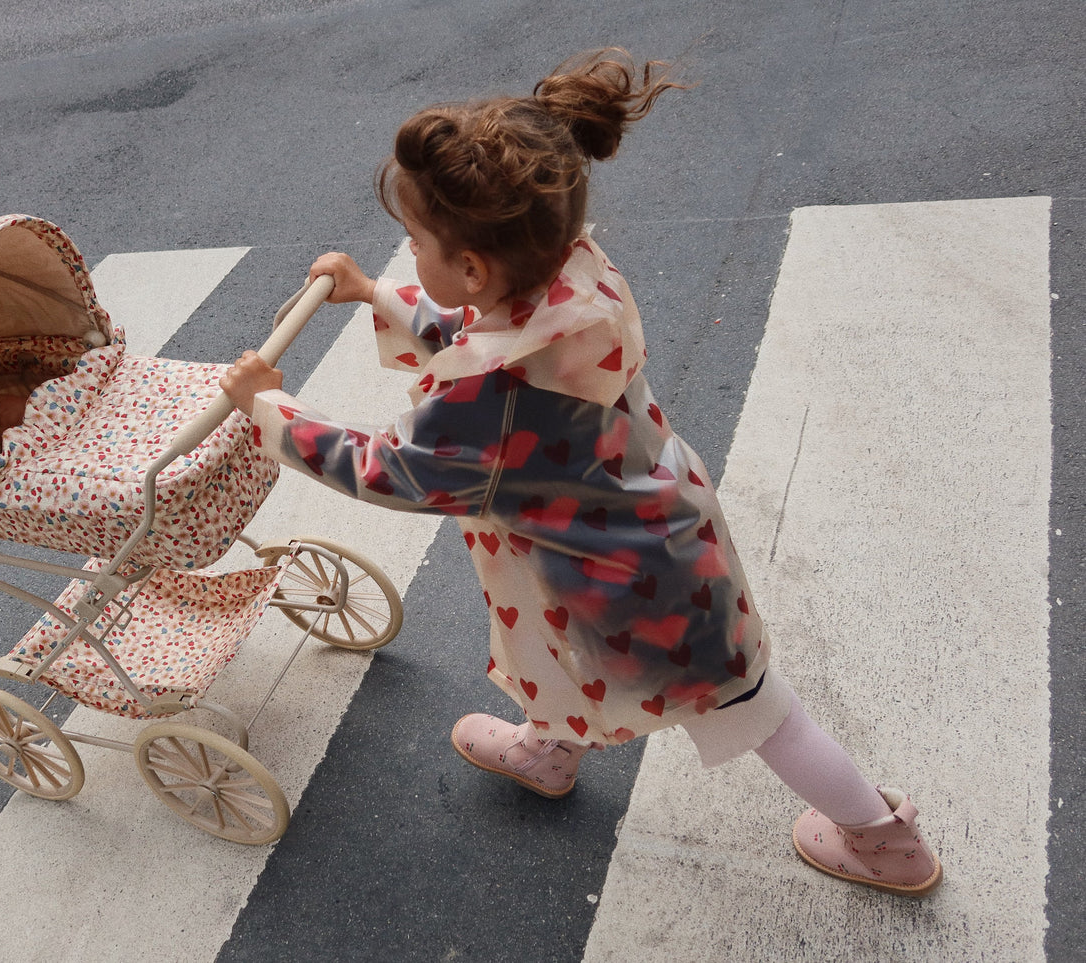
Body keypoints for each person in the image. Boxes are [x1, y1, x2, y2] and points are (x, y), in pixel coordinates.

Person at [221, 48, 941, 896]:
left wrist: (267, 410)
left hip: (639, 580)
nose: (409, 252)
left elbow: (391, 470)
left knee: (752, 704)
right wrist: (379, 294)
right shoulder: (570, 275)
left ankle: (881, 838)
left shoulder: (485, 402)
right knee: (552, 649)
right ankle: (550, 747)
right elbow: (480, 331)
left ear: (472, 266)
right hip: (632, 523)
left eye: (414, 243)